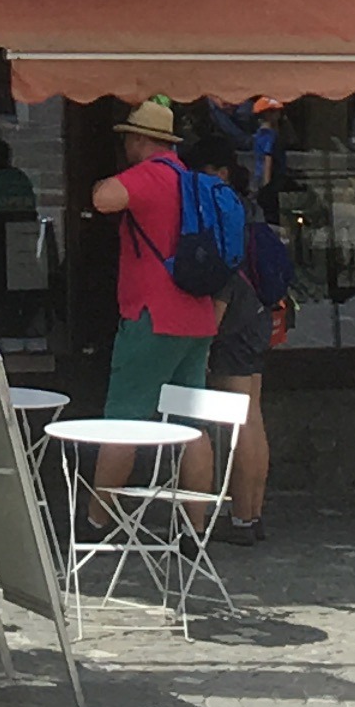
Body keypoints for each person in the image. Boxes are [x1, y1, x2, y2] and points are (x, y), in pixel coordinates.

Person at [88, 97, 221, 497]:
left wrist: (100, 182)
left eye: (128, 137)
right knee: (191, 426)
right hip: (197, 317)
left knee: (122, 423)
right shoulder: (190, 180)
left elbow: (103, 199)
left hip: (153, 317)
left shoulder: (149, 175)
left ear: (139, 140)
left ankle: (98, 524)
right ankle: (194, 531)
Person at [184, 113, 272, 544]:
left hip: (231, 313)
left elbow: (219, 272)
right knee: (251, 416)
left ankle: (239, 519)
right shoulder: (245, 203)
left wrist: (201, 341)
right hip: (255, 312)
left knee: (237, 419)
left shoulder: (216, 206)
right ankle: (251, 517)